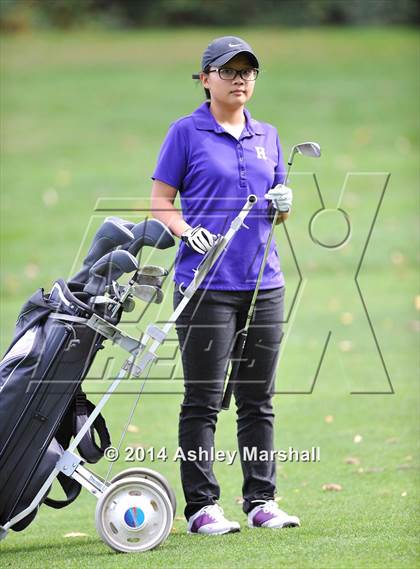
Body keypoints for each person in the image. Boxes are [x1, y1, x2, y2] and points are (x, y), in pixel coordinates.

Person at [150, 36, 300, 535]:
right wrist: (184, 230)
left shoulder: (270, 135)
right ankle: (200, 507)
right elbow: (161, 202)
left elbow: (276, 215)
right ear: (206, 78)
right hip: (205, 285)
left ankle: (262, 499)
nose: (241, 79)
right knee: (205, 397)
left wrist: (283, 204)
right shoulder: (185, 132)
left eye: (249, 71)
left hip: (262, 283)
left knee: (258, 397)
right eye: (229, 70)